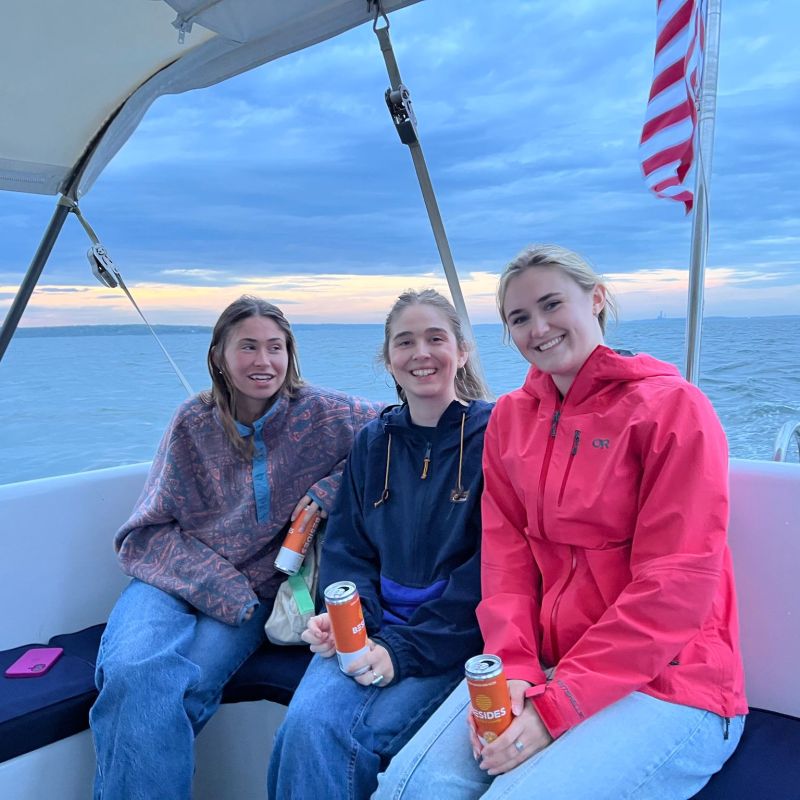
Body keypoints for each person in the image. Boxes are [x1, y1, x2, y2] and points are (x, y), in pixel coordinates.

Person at [375, 245, 748, 800]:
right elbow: (507, 564)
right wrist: (517, 670)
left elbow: (674, 586)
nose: (538, 328)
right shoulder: (510, 418)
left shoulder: (672, 409)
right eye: (519, 318)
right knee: (410, 788)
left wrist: (556, 708)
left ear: (595, 300)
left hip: (670, 680)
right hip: (544, 663)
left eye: (552, 305)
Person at [90, 295, 379, 800]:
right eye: (247, 347)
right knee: (133, 671)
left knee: (180, 689)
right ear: (220, 356)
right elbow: (145, 532)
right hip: (172, 578)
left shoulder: (325, 414)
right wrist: (221, 585)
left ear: (290, 354)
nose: (262, 361)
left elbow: (394, 427)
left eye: (275, 347)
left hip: (254, 592)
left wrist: (328, 490)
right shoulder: (192, 422)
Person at [267, 289, 493, 800]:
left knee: (347, 736)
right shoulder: (373, 441)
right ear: (388, 358)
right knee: (304, 722)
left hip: (451, 638)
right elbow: (349, 550)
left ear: (462, 350)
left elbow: (493, 569)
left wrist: (400, 651)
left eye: (436, 338)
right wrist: (346, 621)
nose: (421, 354)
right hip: (372, 627)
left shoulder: (495, 435)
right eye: (405, 342)